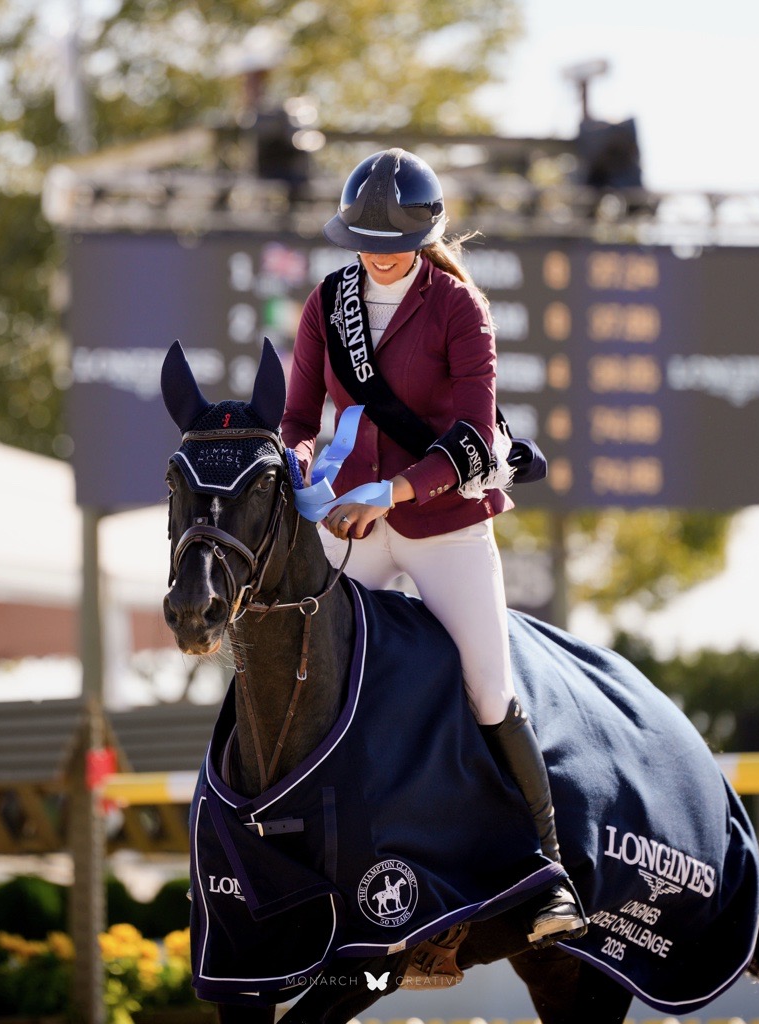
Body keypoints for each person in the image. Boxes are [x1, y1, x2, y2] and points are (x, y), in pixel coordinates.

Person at [281, 148, 585, 959]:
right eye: (362, 236)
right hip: (349, 521)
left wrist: (394, 493)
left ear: (423, 235)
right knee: (304, 669)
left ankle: (548, 870)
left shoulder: (458, 307)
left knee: (487, 687)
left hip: (442, 518)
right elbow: (296, 418)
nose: (375, 250)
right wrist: (305, 467)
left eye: (390, 237)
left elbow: (473, 436)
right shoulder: (327, 301)